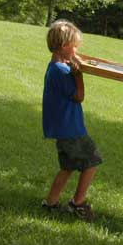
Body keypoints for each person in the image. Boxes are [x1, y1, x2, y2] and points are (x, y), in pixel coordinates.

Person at [41, 19, 102, 222]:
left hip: (64, 127)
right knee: (92, 160)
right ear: (64, 46)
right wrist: (78, 74)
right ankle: (78, 203)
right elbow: (79, 96)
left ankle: (50, 203)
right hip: (70, 128)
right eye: (74, 47)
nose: (76, 51)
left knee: (67, 167)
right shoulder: (62, 71)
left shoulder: (55, 67)